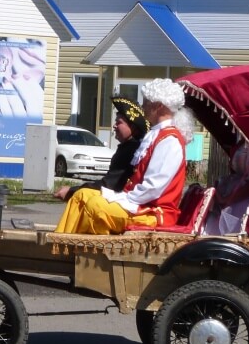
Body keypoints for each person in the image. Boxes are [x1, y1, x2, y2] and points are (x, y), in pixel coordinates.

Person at [55, 79, 192, 235]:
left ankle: (89, 253)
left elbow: (152, 188)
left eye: (146, 102)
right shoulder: (156, 134)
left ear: (159, 106)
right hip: (140, 205)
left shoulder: (169, 141)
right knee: (82, 195)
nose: (143, 106)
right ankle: (60, 243)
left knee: (95, 207)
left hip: (154, 212)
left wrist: (122, 199)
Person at [53, 97, 149, 201]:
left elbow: (110, 184)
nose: (114, 126)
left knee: (82, 198)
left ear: (133, 127)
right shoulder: (127, 147)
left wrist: (72, 191)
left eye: (119, 122)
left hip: (123, 200)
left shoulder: (130, 150)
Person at [205, 140, 249, 235]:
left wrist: (214, 192)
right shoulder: (239, 179)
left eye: (245, 155)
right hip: (229, 215)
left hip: (236, 221)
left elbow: (225, 201)